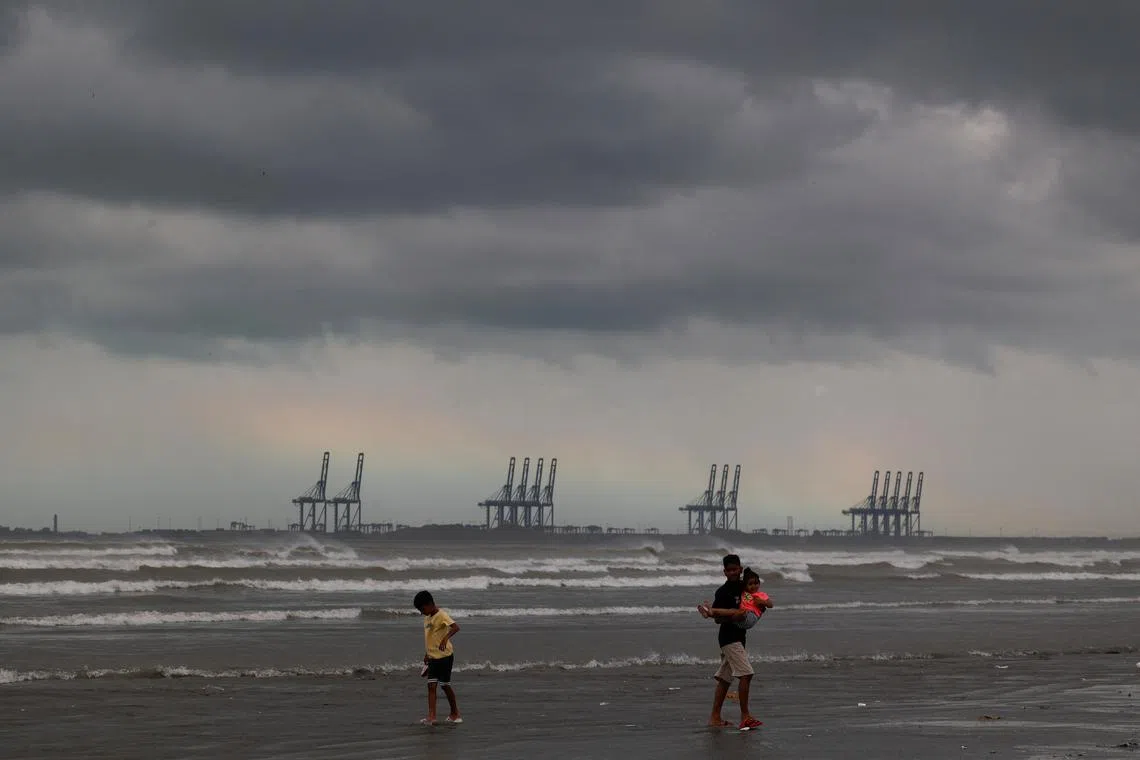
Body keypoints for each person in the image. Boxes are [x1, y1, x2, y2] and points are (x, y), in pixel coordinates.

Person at [696, 554, 764, 730]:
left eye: (736, 569)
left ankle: (715, 718)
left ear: (740, 569)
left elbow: (757, 599)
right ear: (724, 572)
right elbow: (718, 620)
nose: (733, 572)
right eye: (729, 570)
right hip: (728, 638)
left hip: (740, 638)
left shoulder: (744, 587)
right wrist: (734, 615)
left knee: (725, 680)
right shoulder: (722, 592)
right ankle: (745, 716)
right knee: (746, 674)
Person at [413, 590, 462, 725]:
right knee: (431, 686)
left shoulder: (441, 615)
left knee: (445, 685)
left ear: (429, 604)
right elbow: (429, 638)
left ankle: (455, 713)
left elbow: (456, 627)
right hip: (433, 657)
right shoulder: (427, 618)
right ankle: (432, 716)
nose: (421, 612)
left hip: (445, 656)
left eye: (422, 609)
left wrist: (445, 638)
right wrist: (427, 654)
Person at [703, 568, 772, 630]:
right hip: (740, 616)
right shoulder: (744, 591)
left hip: (751, 616)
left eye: (756, 583)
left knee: (739, 612)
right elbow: (740, 581)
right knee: (730, 613)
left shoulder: (761, 594)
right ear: (746, 585)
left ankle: (712, 610)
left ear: (759, 583)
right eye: (750, 584)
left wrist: (763, 602)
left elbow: (770, 604)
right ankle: (708, 613)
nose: (753, 586)